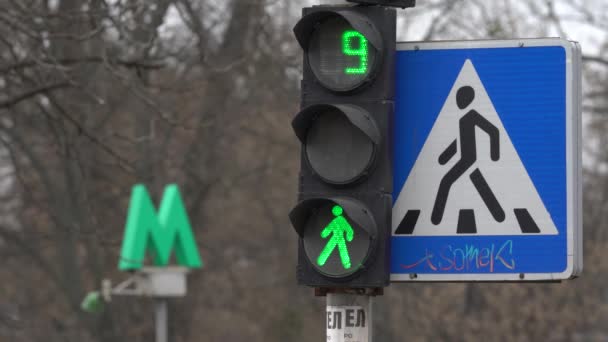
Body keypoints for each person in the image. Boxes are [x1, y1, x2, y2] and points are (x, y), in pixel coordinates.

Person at [431, 86, 505, 225]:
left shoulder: (472, 115)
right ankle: (499, 215)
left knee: (446, 182)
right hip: (467, 159)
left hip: (469, 159)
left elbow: (493, 131)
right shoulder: (463, 118)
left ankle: (436, 219)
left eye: (461, 98)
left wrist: (494, 154)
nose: (458, 101)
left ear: (468, 99)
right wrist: (445, 157)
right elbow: (460, 140)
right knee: (481, 185)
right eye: (458, 97)